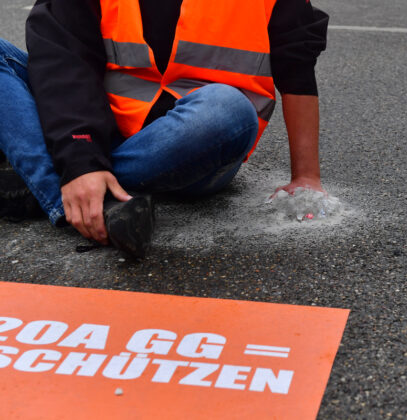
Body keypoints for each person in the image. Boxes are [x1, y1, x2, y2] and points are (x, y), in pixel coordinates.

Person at [0, 0, 328, 257]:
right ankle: (78, 191)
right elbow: (64, 58)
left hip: (194, 147)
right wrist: (81, 157)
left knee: (229, 109)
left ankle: (54, 181)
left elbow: (296, 60)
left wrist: (306, 177)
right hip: (95, 127)